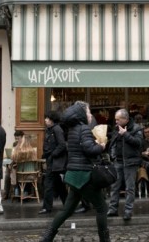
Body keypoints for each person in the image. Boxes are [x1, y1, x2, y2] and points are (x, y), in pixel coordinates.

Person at [39, 103, 108, 242]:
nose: (90, 115)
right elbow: (89, 150)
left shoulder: (73, 129)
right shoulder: (84, 129)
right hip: (84, 175)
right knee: (102, 207)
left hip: (74, 174)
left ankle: (47, 237)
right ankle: (105, 240)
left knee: (67, 210)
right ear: (82, 115)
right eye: (88, 113)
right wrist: (101, 147)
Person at [107, 108, 143, 221]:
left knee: (130, 188)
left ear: (125, 119)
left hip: (130, 162)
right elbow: (113, 143)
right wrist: (112, 155)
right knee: (115, 186)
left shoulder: (136, 128)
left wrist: (125, 134)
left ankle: (128, 211)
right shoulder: (116, 128)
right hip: (118, 161)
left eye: (118, 119)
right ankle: (113, 209)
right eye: (115, 120)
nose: (116, 122)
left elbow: (138, 143)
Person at [39, 111, 68, 215]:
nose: (45, 120)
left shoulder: (56, 129)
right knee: (59, 185)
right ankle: (68, 205)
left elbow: (62, 145)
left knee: (48, 184)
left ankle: (47, 207)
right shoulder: (50, 130)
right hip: (52, 161)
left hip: (54, 162)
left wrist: (52, 155)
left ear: (52, 120)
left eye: (47, 118)